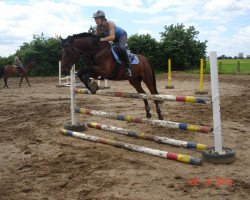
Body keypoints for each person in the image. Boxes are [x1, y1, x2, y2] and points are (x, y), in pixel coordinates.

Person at [93, 10, 132, 77]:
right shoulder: (98, 27)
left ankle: (129, 69)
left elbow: (112, 37)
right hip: (114, 38)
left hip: (121, 35)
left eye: (97, 19)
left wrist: (100, 39)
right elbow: (95, 38)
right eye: (95, 19)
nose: (96, 20)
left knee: (121, 48)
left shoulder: (110, 23)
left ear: (102, 18)